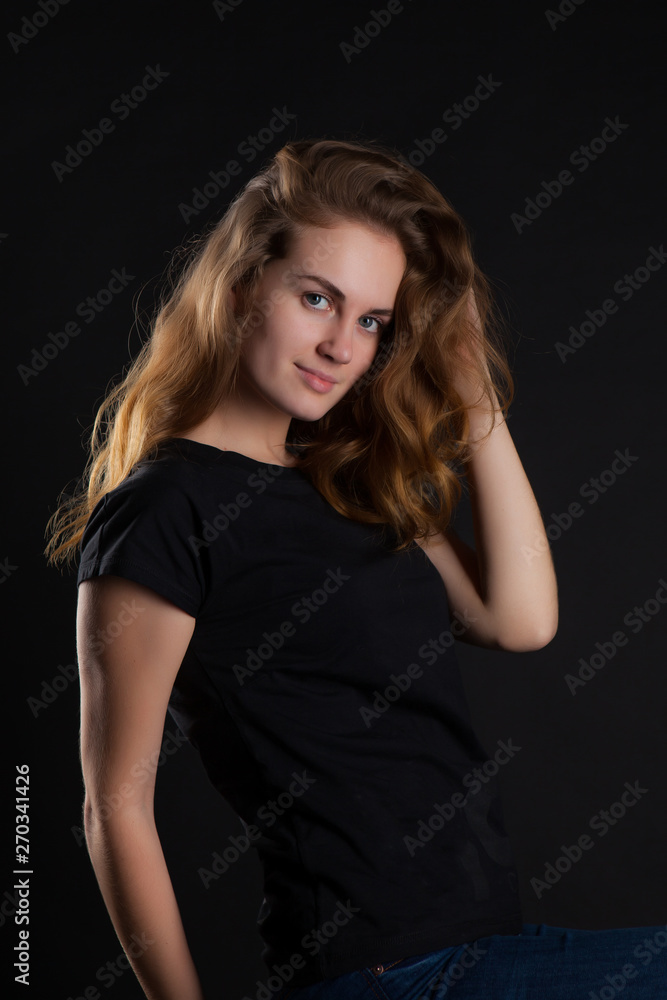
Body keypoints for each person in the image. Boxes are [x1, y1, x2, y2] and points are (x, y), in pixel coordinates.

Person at [44, 138, 665, 1000]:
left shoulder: (347, 480)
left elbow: (518, 621)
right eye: (316, 299)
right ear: (237, 289)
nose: (343, 344)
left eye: (371, 320)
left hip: (480, 946)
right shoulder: (164, 512)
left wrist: (473, 394)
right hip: (384, 973)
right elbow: (113, 805)